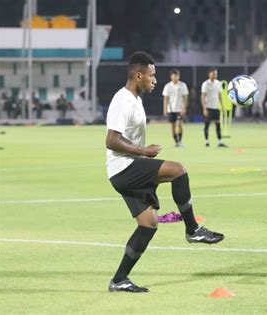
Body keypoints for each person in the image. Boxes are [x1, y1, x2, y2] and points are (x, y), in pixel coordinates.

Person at [106, 51, 224, 293]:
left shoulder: (135, 99)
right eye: (152, 75)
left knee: (148, 225)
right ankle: (193, 230)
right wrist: (143, 151)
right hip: (124, 167)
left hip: (127, 168)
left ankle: (119, 280)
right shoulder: (123, 100)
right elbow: (111, 140)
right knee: (178, 170)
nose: (155, 80)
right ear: (138, 75)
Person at [201, 67, 227, 147]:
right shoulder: (205, 84)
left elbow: (219, 96)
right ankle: (206, 141)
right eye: (213, 73)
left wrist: (222, 107)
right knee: (207, 125)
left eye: (216, 73)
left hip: (216, 108)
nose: (215, 75)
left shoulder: (218, 83)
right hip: (208, 107)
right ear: (209, 74)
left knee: (218, 125)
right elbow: (203, 96)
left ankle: (219, 142)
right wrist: (204, 108)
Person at [162, 69, 189, 147]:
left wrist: (184, 108)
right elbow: (165, 98)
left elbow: (185, 98)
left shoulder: (183, 85)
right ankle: (176, 141)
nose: (176, 77)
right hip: (171, 109)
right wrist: (165, 109)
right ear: (171, 76)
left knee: (179, 123)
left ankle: (180, 140)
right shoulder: (168, 86)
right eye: (174, 75)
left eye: (177, 75)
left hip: (179, 109)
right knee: (172, 126)